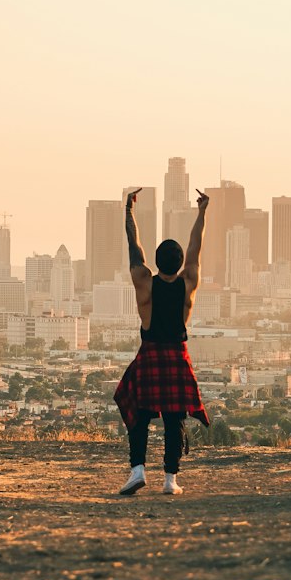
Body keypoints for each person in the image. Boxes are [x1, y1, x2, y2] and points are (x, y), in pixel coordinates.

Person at [114, 187, 210, 495]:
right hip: (177, 355)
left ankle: (137, 471)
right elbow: (196, 248)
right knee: (174, 417)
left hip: (150, 354)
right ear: (180, 263)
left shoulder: (144, 282)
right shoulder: (189, 282)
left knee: (140, 414)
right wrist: (202, 212)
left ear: (155, 262)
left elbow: (134, 246)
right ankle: (171, 480)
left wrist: (128, 210)